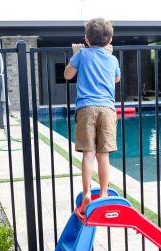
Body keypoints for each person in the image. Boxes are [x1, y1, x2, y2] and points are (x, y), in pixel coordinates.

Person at [64, 18, 121, 213]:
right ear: (110, 39)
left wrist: (76, 54)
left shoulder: (82, 54)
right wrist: (108, 55)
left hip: (86, 108)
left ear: (86, 39)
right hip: (107, 109)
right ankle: (104, 193)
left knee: (88, 154)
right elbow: (117, 78)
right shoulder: (112, 59)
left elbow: (67, 75)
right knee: (103, 155)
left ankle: (87, 192)